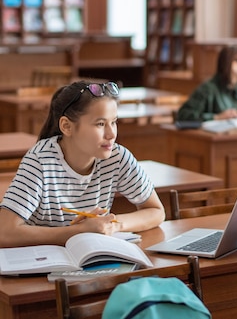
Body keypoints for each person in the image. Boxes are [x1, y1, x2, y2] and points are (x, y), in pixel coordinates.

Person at [0, 81, 166, 248]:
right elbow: (5, 232)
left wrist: (112, 224)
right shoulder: (40, 161)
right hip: (42, 263)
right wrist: (79, 232)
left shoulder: (117, 157)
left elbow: (157, 212)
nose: (111, 134)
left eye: (114, 122)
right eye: (100, 124)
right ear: (67, 126)